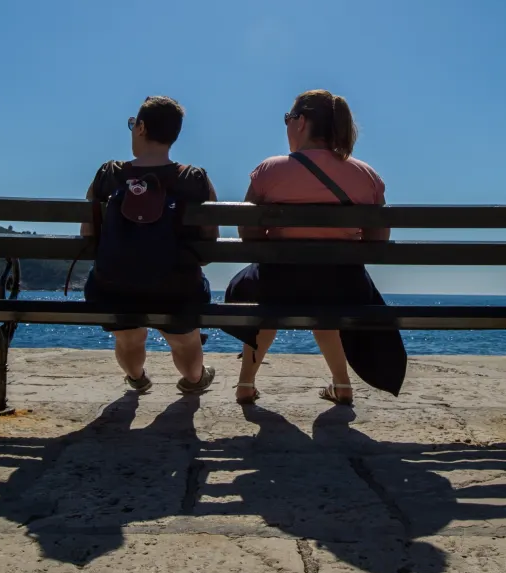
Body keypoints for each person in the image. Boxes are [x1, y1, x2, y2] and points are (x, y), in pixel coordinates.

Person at [225, 89, 407, 405]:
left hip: (279, 284)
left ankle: (245, 384)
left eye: (287, 118)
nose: (285, 125)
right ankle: (342, 385)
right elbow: (378, 243)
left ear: (301, 122)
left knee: (259, 291)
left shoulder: (270, 170)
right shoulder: (367, 176)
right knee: (325, 294)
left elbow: (248, 235)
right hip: (343, 288)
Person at [81, 95, 217, 395]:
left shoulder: (109, 175)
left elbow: (87, 237)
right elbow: (209, 246)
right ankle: (194, 379)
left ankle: (137, 378)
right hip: (178, 290)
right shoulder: (194, 179)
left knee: (128, 336)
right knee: (185, 338)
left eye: (133, 124)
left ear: (141, 128)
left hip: (113, 288)